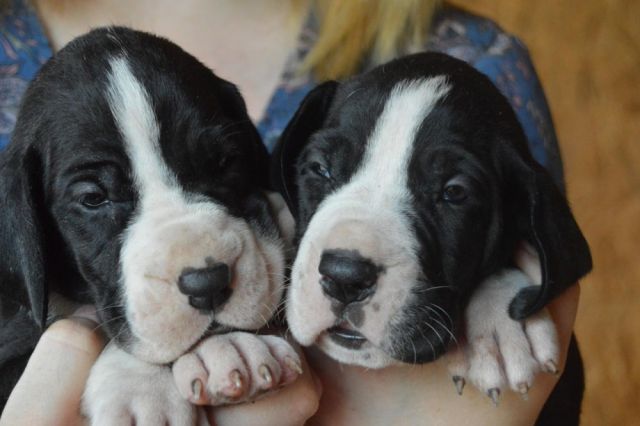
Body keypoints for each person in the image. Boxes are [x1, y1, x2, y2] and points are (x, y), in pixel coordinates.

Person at [0, 0, 581, 424]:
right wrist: (121, 358)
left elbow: (512, 244)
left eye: (223, 165)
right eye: (94, 196)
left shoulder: (477, 64)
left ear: (259, 163)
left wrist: (498, 288)